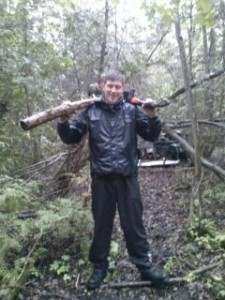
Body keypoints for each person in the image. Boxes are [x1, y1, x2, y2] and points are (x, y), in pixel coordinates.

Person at [57, 70, 168, 289]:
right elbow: (71, 137)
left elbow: (151, 135)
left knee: (134, 225)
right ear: (102, 86)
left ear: (122, 88)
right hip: (101, 181)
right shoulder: (90, 111)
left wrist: (153, 116)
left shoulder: (132, 111)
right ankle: (99, 268)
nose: (114, 90)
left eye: (118, 86)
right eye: (110, 86)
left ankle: (145, 266)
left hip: (128, 179)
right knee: (102, 227)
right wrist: (63, 119)